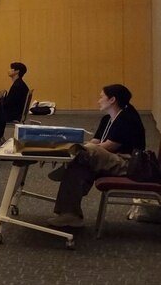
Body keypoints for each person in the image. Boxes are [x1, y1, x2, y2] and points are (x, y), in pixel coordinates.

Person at [48, 84, 148, 229]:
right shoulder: (107, 119)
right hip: (111, 159)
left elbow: (107, 147)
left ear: (112, 99)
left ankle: (66, 164)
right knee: (79, 165)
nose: (98, 100)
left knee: (85, 154)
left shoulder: (127, 118)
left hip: (128, 163)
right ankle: (70, 215)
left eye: (101, 97)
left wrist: (76, 150)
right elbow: (95, 142)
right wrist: (80, 149)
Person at [0, 62, 30, 137]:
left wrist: (1, 99)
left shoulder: (16, 86)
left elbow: (7, 104)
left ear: (17, 71)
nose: (9, 70)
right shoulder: (20, 84)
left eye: (11, 69)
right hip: (17, 113)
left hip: (13, 115)